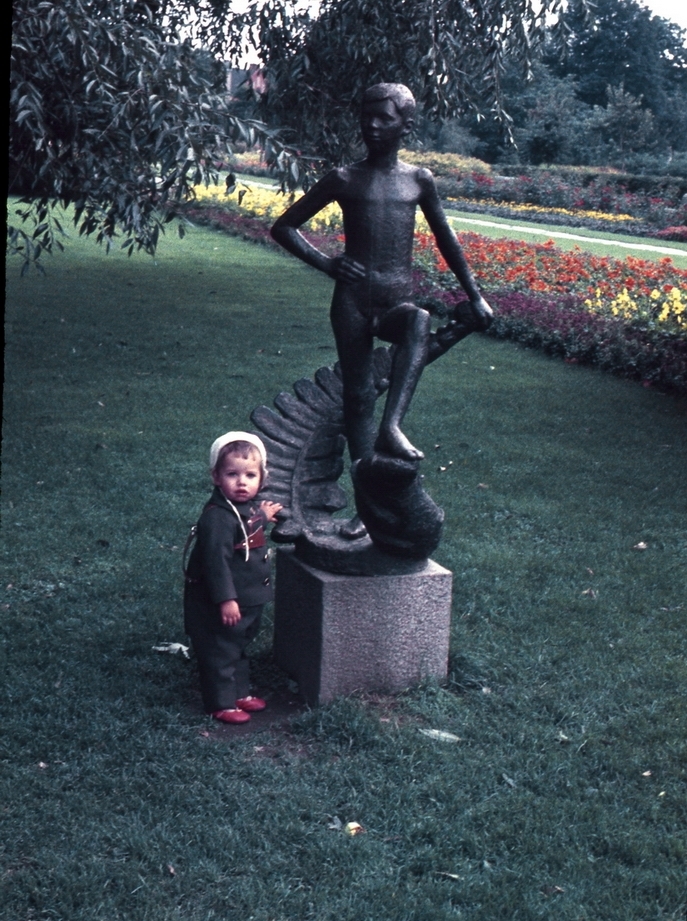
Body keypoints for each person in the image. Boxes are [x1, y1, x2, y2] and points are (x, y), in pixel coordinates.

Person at [271, 82, 493, 470]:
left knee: (418, 321)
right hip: (352, 302)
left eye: (383, 119)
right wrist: (327, 263)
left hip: (396, 300)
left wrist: (475, 295)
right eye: (366, 118)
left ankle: (391, 426)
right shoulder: (345, 178)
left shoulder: (418, 180)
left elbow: (446, 238)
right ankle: (367, 484)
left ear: (406, 126)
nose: (372, 126)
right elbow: (284, 227)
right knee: (358, 398)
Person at [184, 432, 282, 724]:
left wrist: (263, 516)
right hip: (226, 601)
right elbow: (216, 563)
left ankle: (239, 692)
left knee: (238, 646)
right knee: (221, 650)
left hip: (247, 598)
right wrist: (226, 599)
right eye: (232, 474)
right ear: (216, 477)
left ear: (262, 479)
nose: (242, 482)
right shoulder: (217, 517)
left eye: (250, 475)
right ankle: (221, 702)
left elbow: (247, 526)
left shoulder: (244, 508)